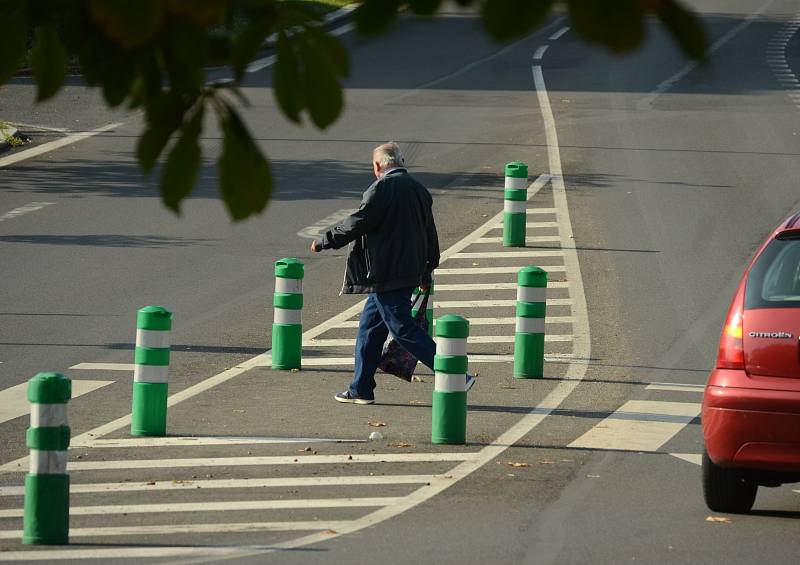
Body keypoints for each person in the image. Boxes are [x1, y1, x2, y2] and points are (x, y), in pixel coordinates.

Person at [311, 142, 475, 404]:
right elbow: (429, 233)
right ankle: (361, 388)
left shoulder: (381, 189)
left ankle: (456, 375)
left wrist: (326, 240)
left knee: (402, 328)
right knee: (369, 329)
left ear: (378, 165)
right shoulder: (418, 189)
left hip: (388, 272)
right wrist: (428, 270)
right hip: (406, 271)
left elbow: (359, 221)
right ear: (400, 161)